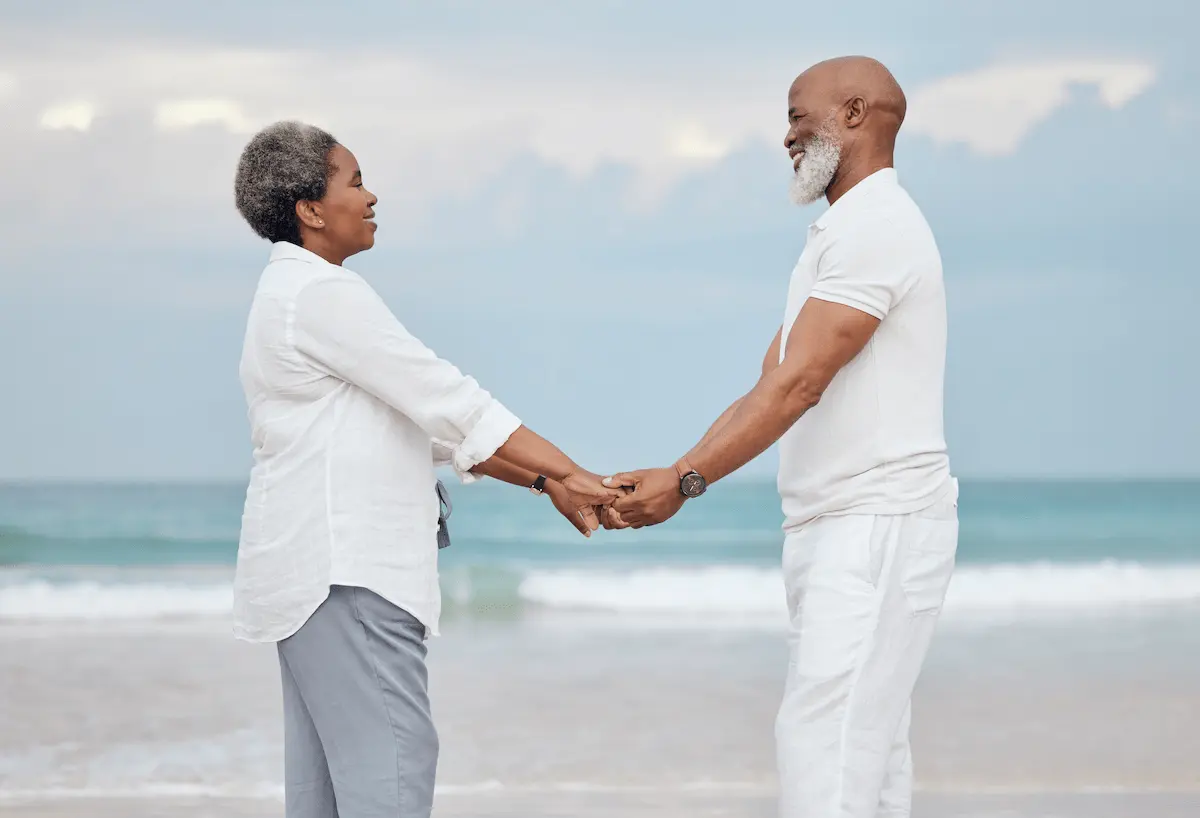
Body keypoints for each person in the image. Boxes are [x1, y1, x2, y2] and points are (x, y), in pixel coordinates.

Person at [231, 120, 621, 818]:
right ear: (311, 210)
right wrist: (578, 473)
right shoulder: (321, 295)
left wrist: (546, 480)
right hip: (345, 575)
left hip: (314, 580)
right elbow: (451, 401)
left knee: (327, 790)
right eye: (353, 181)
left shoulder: (294, 297)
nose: (371, 195)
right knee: (395, 765)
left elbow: (432, 430)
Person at [603, 57, 958, 818]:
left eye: (800, 116)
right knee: (864, 758)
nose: (787, 136)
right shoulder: (840, 234)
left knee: (825, 752)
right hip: (841, 529)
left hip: (875, 525)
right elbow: (770, 384)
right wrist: (675, 471)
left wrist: (689, 481)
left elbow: (801, 387)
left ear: (855, 114)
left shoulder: (877, 228)